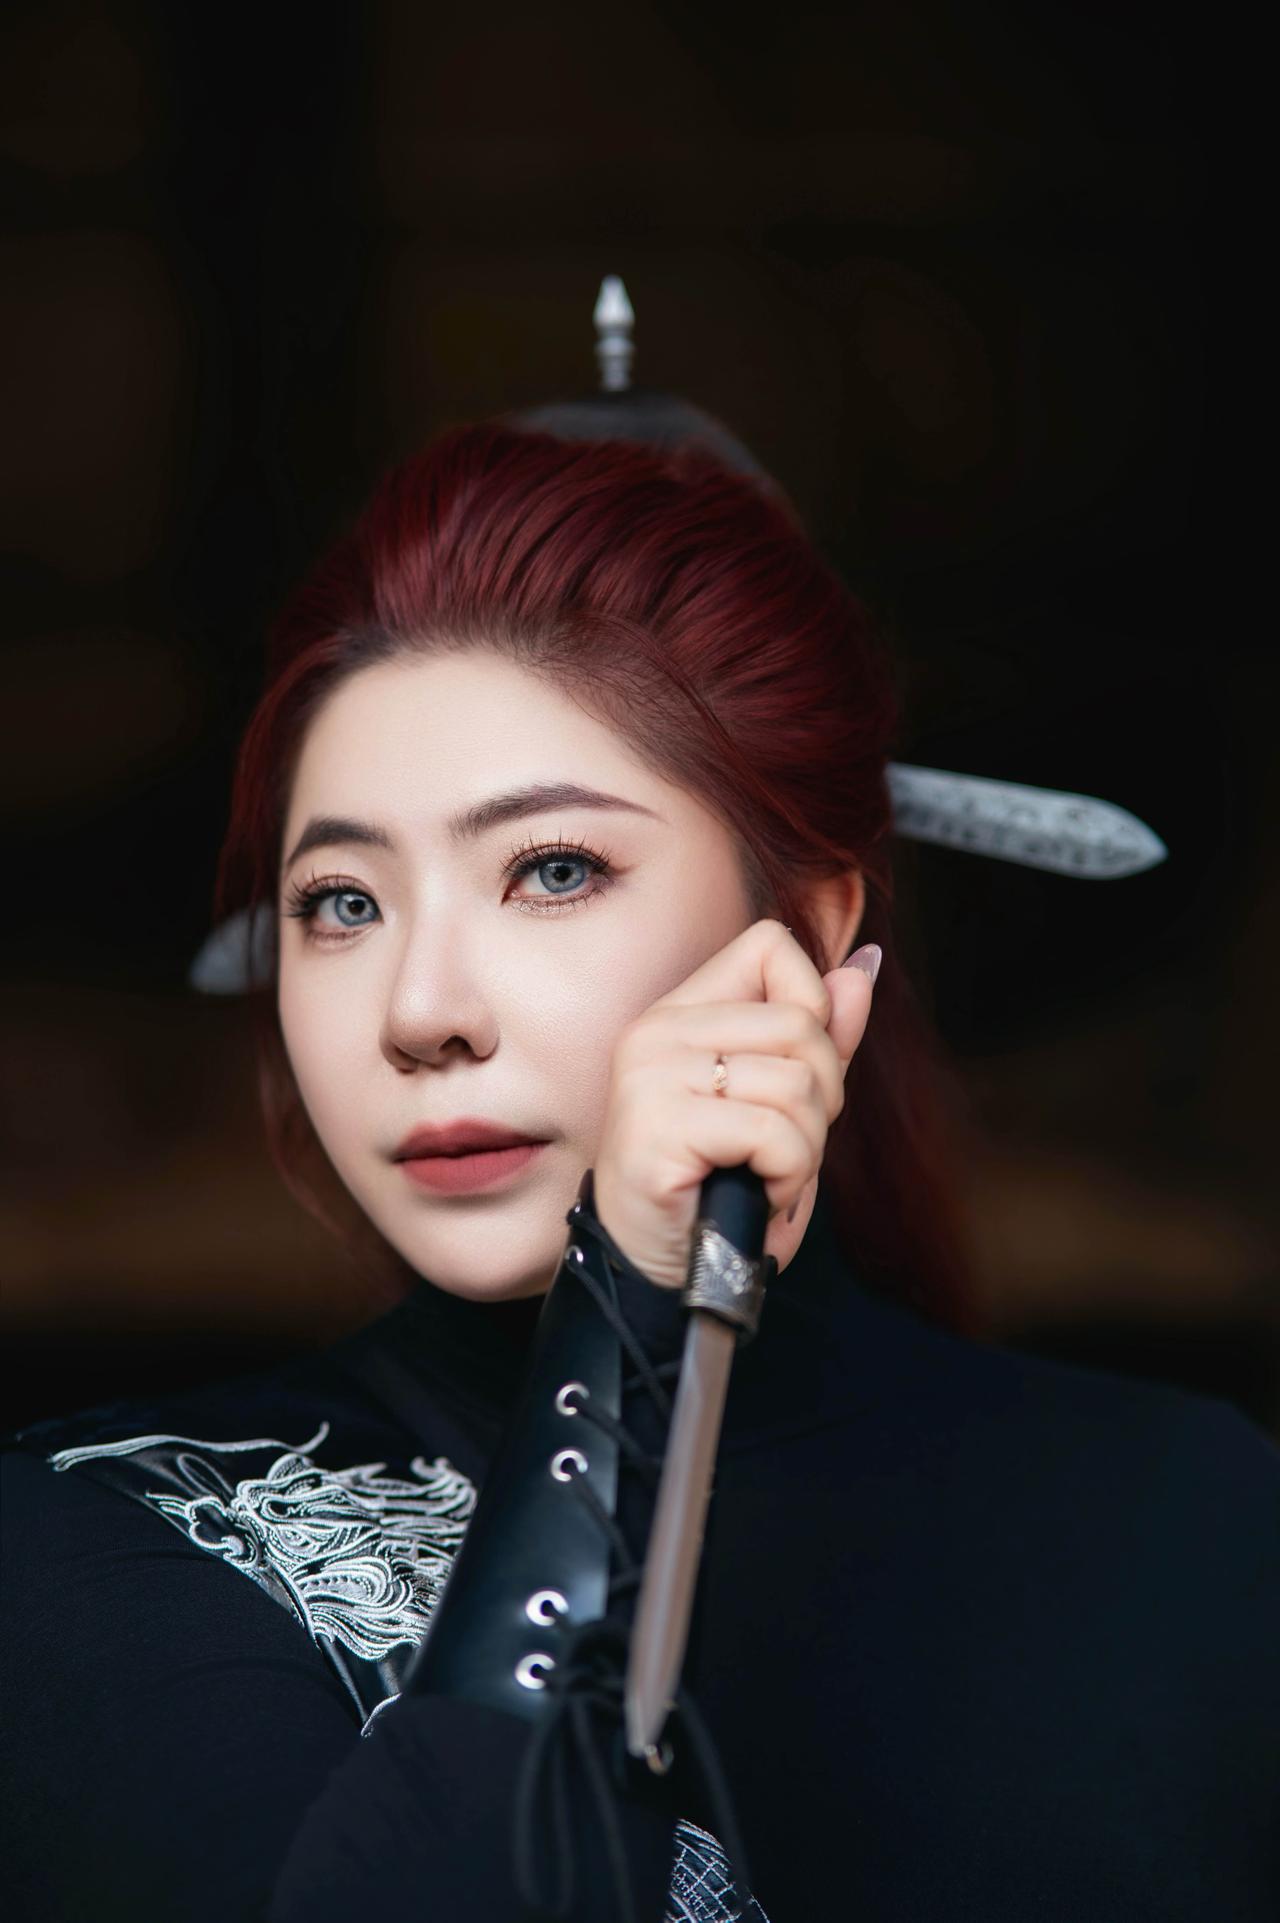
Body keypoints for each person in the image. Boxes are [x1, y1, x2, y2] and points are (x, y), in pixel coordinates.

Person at [3, 414, 1277, 1923]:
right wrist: (628, 1317)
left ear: (805, 941)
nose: (420, 1010)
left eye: (553, 870)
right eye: (342, 901)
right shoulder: (102, 1539)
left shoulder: (1191, 1520)